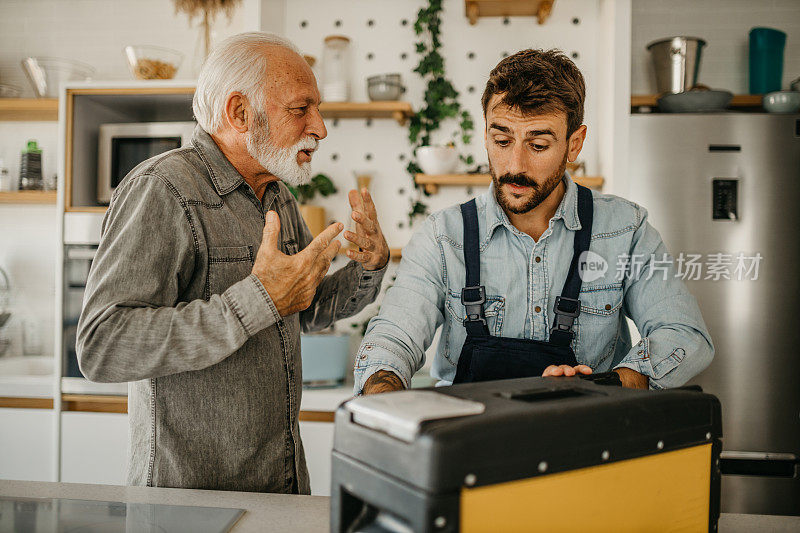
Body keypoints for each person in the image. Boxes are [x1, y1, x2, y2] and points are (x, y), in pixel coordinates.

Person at [76, 32, 390, 493]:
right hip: (186, 509)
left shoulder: (277, 194)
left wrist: (368, 267)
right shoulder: (162, 188)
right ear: (240, 113)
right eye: (301, 109)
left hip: (280, 488)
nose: (320, 127)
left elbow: (306, 307)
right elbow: (102, 345)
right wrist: (257, 299)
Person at [355, 49, 713, 395]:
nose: (515, 165)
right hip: (468, 447)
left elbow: (684, 334)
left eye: (538, 145)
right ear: (485, 135)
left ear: (574, 144)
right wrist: (382, 391)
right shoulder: (442, 237)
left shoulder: (627, 229)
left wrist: (608, 384)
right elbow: (393, 338)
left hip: (585, 444)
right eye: (501, 139)